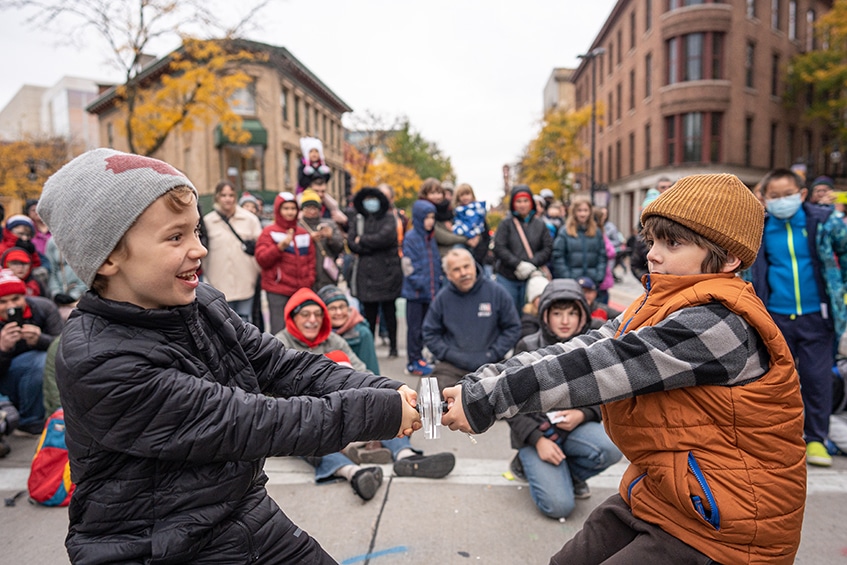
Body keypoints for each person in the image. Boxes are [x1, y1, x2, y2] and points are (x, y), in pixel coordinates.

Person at [37, 148, 421, 563]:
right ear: (108, 256)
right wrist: (380, 411)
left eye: (196, 232)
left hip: (241, 513)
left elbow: (282, 366)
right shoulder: (99, 360)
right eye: (175, 237)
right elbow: (251, 421)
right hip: (155, 547)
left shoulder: (201, 301)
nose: (199, 249)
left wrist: (391, 390)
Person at [442, 173, 806, 565]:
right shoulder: (661, 301)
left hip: (725, 526)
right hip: (668, 492)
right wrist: (480, 384)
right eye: (652, 240)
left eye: (673, 242)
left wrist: (488, 401)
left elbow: (602, 367)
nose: (652, 254)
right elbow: (586, 346)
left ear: (729, 257)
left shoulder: (720, 323)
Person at [276, 288, 455, 496]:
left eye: (318, 314)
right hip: (310, 415)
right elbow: (276, 393)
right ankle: (355, 473)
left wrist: (388, 394)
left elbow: (362, 371)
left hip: (346, 408)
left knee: (383, 406)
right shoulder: (281, 344)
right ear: (292, 317)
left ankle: (405, 457)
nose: (312, 320)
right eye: (305, 315)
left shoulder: (334, 340)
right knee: (306, 433)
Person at [749, 167, 847, 468]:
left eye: (787, 195)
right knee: (778, 379)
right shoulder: (761, 228)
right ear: (765, 199)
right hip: (776, 315)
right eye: (774, 197)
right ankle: (781, 437)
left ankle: (816, 438)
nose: (781, 201)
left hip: (817, 315)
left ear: (801, 194)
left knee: (818, 378)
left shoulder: (822, 221)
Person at [508, 278, 622, 518]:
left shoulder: (595, 346)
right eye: (557, 313)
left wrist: (584, 413)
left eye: (572, 313)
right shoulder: (527, 346)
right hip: (536, 433)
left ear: (583, 315)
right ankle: (524, 463)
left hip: (574, 428)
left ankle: (571, 474)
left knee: (611, 447)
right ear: (545, 315)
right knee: (559, 507)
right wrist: (537, 440)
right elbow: (509, 404)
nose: (565, 321)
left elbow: (610, 394)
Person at [423, 248, 521, 391]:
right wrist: (449, 354)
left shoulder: (497, 292)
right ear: (448, 275)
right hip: (452, 367)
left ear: (474, 265)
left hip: (490, 365)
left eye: (466, 266)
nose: (463, 273)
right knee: (433, 395)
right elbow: (430, 333)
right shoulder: (442, 299)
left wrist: (493, 353)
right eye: (456, 269)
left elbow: (513, 327)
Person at [0, 269, 62, 435]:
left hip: (40, 380)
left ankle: (36, 419)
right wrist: (3, 348)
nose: (11, 306)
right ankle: (26, 420)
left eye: (16, 299)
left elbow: (63, 347)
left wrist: (41, 340)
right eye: (2, 302)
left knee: (41, 360)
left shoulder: (43, 307)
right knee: (36, 362)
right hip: (6, 382)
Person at [347, 187, 403, 359]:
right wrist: (366, 244)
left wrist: (363, 240)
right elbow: (351, 243)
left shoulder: (388, 218)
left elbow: (385, 237)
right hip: (367, 274)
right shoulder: (358, 219)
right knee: (369, 315)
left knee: (389, 312)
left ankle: (393, 347)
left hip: (387, 273)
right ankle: (368, 348)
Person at [255, 191, 315, 335]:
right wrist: (280, 247)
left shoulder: (303, 233)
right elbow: (262, 259)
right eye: (286, 208)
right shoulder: (269, 232)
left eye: (293, 208)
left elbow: (311, 261)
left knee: (302, 328)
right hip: (278, 291)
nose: (290, 212)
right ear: (278, 210)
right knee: (280, 330)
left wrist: (309, 280)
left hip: (301, 290)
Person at [202, 180, 263, 323]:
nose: (227, 199)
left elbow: (260, 248)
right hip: (219, 284)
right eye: (223, 195)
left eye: (230, 195)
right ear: (217, 197)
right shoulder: (208, 222)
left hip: (246, 282)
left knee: (246, 324)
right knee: (223, 324)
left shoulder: (250, 220)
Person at [492, 185, 554, 314]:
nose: (522, 205)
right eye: (518, 201)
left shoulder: (540, 224)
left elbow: (547, 248)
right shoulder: (506, 224)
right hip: (508, 276)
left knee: (531, 314)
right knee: (508, 312)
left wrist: (532, 263)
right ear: (513, 204)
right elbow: (499, 247)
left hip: (531, 277)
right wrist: (517, 264)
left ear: (531, 203)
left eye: (525, 201)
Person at [402, 199, 443, 376]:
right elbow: (408, 266)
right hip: (416, 294)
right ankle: (413, 361)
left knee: (428, 327)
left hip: (430, 292)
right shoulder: (411, 237)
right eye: (427, 217)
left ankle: (422, 357)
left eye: (433, 217)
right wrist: (421, 284)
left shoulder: (430, 238)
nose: (430, 221)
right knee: (415, 328)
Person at [318, 284, 379, 374]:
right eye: (332, 308)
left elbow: (371, 369)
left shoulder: (361, 333)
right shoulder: (315, 333)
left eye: (342, 307)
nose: (339, 312)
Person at [551, 195, 607, 289]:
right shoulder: (565, 231)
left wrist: (598, 276)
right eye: (579, 210)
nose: (582, 214)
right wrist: (567, 276)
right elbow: (558, 256)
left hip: (592, 281)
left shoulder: (596, 232)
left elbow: (602, 256)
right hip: (571, 281)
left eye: (585, 210)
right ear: (574, 212)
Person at [299, 188, 344, 292]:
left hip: (326, 274)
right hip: (306, 275)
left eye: (314, 208)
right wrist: (309, 240)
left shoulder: (329, 224)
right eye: (308, 208)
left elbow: (339, 247)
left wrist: (331, 237)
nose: (312, 211)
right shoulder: (298, 227)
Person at [630, 177, 674, 280]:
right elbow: (635, 264)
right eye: (663, 187)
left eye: (669, 187)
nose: (666, 190)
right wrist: (649, 280)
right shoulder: (643, 231)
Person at [453, 183, 492, 276]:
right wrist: (467, 239)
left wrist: (477, 239)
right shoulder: (457, 214)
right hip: (464, 247)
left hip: (479, 253)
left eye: (467, 194)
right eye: (462, 195)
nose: (465, 197)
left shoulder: (479, 213)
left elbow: (485, 234)